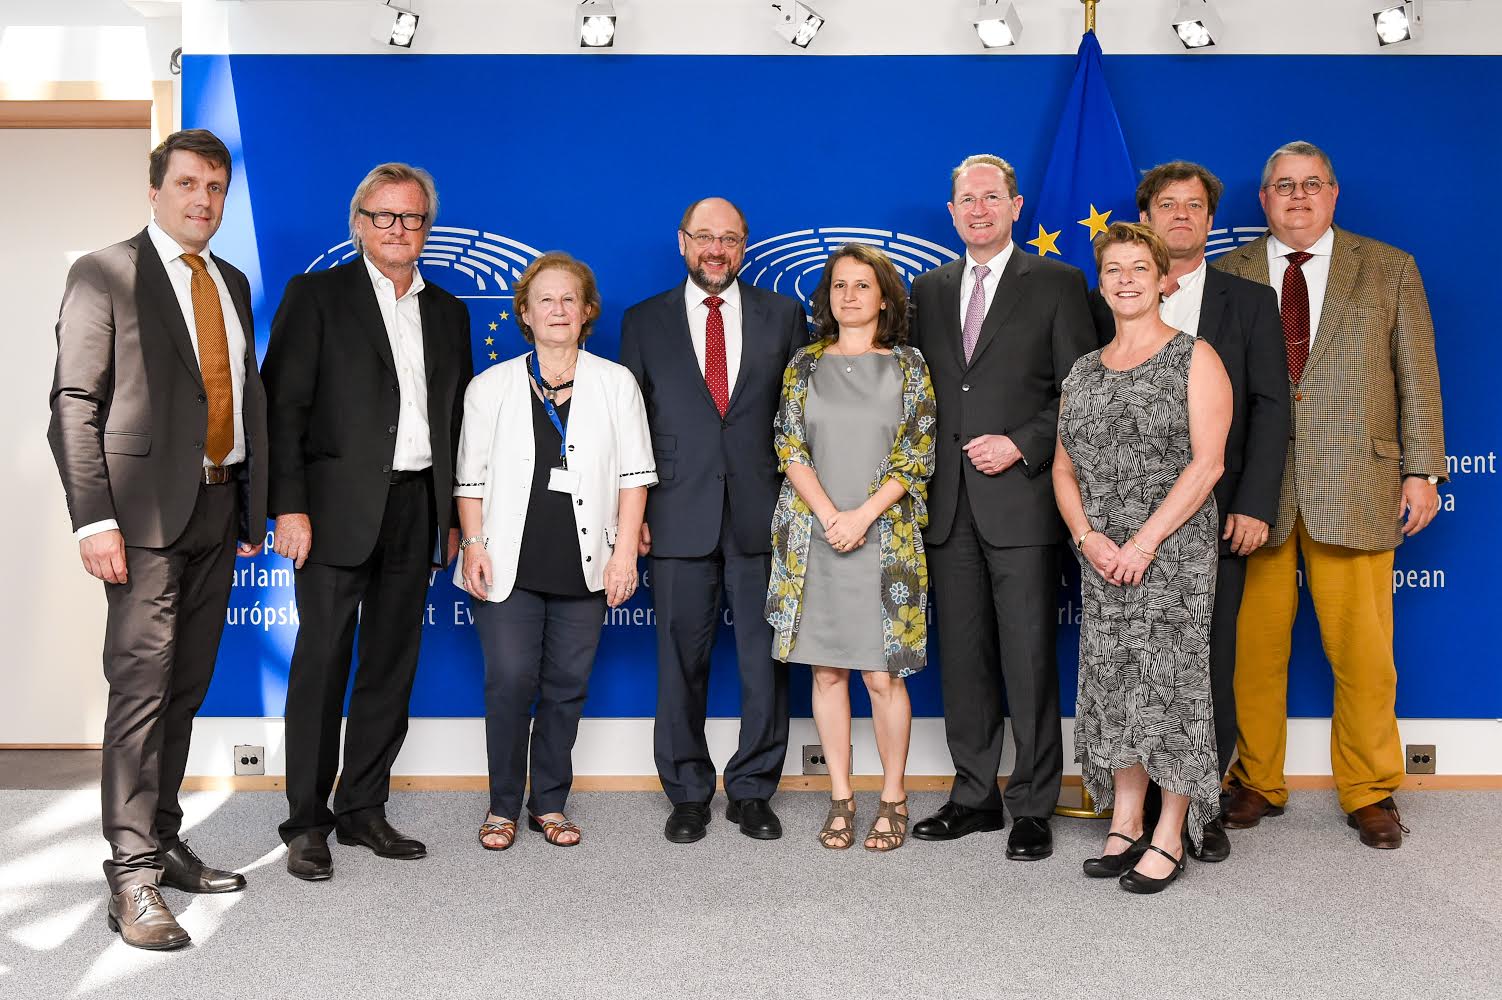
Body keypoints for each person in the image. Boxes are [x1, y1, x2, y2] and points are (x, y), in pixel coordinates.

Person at [48, 128, 268, 949]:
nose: (203, 199)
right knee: (140, 692)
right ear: (156, 190)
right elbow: (75, 401)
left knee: (185, 687)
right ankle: (131, 877)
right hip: (137, 523)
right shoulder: (105, 272)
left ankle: (165, 837)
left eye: (215, 187)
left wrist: (248, 505)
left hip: (216, 513)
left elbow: (241, 398)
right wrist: (94, 518)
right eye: (187, 184)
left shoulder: (233, 282)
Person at [1214, 141, 1447, 850]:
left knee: (1365, 653)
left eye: (1312, 184)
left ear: (1334, 193)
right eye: (1283, 186)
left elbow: (1417, 373)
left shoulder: (1388, 267)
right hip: (1256, 490)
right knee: (1250, 653)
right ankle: (1255, 779)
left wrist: (1423, 469)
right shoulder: (1230, 272)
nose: (1298, 196)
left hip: (1358, 481)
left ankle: (1371, 789)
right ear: (1263, 199)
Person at [264, 163, 474, 880]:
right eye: (384, 217)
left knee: (390, 666)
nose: (398, 230)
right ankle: (307, 822)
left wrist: (450, 517)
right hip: (330, 513)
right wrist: (288, 505)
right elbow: (281, 409)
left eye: (412, 219)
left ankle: (362, 810)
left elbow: (452, 422)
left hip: (418, 509)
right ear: (358, 224)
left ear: (427, 228)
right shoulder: (316, 296)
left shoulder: (447, 311)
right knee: (322, 666)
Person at [907, 154, 1096, 860]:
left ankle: (1034, 804)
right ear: (951, 212)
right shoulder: (926, 290)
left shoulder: (1057, 283)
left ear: (1017, 206)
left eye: (992, 197)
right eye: (966, 199)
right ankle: (973, 794)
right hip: (947, 507)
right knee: (963, 660)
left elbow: (1080, 390)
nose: (979, 209)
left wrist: (1021, 444)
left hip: (1021, 502)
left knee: (1027, 659)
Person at [619, 197, 808, 844]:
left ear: (745, 246)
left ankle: (754, 790)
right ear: (682, 243)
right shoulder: (642, 322)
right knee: (678, 663)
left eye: (729, 238)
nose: (716, 250)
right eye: (705, 237)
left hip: (764, 514)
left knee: (765, 663)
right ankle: (688, 793)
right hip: (676, 514)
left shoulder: (784, 315)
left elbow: (799, 420)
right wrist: (633, 516)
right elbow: (631, 432)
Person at [453, 252, 656, 850]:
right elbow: (470, 482)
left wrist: (624, 556)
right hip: (506, 562)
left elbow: (635, 478)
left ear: (588, 310)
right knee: (511, 681)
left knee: (567, 684)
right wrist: (473, 545)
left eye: (570, 299)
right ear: (525, 312)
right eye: (545, 299)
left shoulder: (616, 384)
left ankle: (549, 803)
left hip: (586, 562)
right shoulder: (489, 388)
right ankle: (500, 806)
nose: (558, 310)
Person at [1055, 222, 1232, 893]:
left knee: (1172, 685)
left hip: (1173, 552)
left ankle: (1170, 832)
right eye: (1113, 269)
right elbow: (1063, 469)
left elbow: (1207, 464)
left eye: (1138, 268)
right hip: (1102, 556)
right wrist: (1088, 538)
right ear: (1101, 283)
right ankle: (1125, 818)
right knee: (1113, 682)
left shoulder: (1196, 357)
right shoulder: (1083, 369)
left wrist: (1145, 541)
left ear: (1164, 279)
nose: (1126, 280)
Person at [1122, 161, 1290, 863]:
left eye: (1195, 207)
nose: (1182, 216)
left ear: (1211, 221)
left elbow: (1270, 407)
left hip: (1215, 516)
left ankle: (1202, 807)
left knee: (1205, 664)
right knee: (1136, 665)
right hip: (1128, 519)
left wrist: (1254, 504)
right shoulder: (1115, 293)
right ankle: (1142, 807)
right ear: (1147, 218)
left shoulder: (1248, 301)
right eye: (1169, 205)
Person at [765, 245, 936, 852]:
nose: (850, 296)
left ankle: (893, 795)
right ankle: (840, 796)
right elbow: (788, 446)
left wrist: (861, 516)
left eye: (863, 286)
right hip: (813, 536)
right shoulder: (804, 365)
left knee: (881, 675)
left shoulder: (909, 365)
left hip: (883, 539)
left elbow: (916, 453)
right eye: (839, 285)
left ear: (884, 297)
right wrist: (832, 516)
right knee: (828, 671)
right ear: (827, 297)